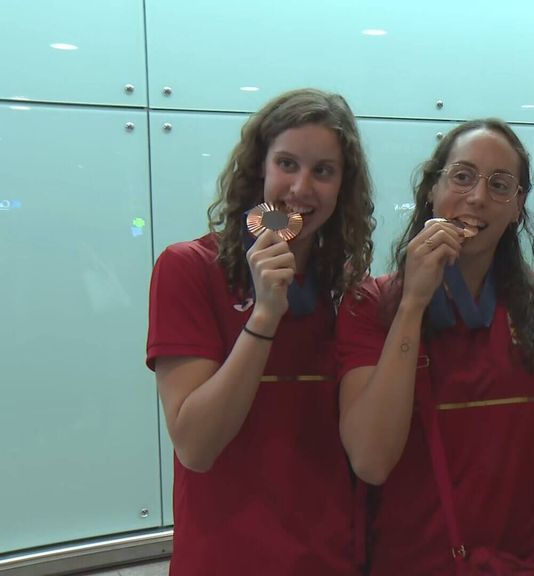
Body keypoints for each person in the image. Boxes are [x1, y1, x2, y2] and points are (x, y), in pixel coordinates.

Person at [336, 118, 534, 575]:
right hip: (412, 559)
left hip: (529, 557)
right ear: (432, 189)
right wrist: (413, 305)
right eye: (461, 177)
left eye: (500, 185)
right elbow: (370, 460)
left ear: (518, 206)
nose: (478, 197)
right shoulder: (369, 304)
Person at [146, 88, 375, 575]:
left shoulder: (349, 289)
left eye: (323, 171)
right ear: (259, 169)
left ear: (342, 187)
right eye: (287, 164)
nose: (301, 188)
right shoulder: (189, 268)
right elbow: (196, 447)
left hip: (332, 559)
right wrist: (265, 316)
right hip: (224, 559)